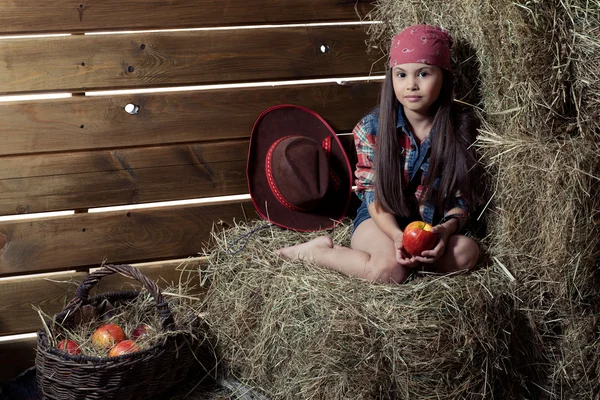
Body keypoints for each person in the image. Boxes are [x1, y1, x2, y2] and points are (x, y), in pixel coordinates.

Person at [277, 24, 484, 283]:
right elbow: (373, 195)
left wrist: (444, 231)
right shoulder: (371, 128)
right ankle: (317, 252)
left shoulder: (461, 130)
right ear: (391, 78)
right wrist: (398, 236)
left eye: (423, 74)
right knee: (387, 273)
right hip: (380, 218)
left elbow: (461, 200)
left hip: (431, 224)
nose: (411, 85)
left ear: (443, 77)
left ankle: (409, 262)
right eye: (401, 75)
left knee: (467, 253)